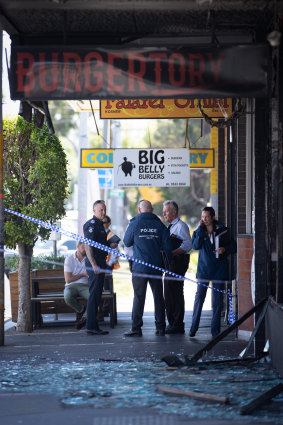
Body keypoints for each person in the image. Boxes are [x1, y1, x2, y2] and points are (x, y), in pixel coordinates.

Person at [123, 200, 172, 337]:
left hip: (139, 267)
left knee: (139, 297)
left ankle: (136, 329)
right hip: (156, 266)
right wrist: (167, 263)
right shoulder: (159, 224)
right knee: (158, 297)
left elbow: (126, 242)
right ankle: (161, 327)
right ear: (152, 210)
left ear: (139, 210)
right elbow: (167, 247)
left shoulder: (135, 222)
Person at [189, 206, 237, 338]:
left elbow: (234, 246)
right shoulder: (199, 231)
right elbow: (195, 246)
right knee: (199, 298)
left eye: (206, 217)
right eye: (202, 217)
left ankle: (215, 331)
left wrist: (224, 249)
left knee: (217, 301)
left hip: (219, 269)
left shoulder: (223, 230)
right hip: (204, 270)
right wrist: (199, 230)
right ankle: (193, 328)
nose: (204, 219)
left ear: (213, 216)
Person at [162, 200, 192, 334]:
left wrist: (172, 253)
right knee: (168, 293)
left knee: (176, 293)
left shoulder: (181, 226)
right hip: (170, 263)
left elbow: (187, 245)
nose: (164, 213)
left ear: (174, 212)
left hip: (178, 263)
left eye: (167, 211)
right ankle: (172, 323)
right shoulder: (170, 227)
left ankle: (178, 324)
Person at [83, 200, 109, 335]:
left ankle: (93, 325)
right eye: (101, 210)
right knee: (94, 295)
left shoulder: (100, 225)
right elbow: (88, 245)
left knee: (97, 294)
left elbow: (99, 245)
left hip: (100, 262)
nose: (104, 212)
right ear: (94, 211)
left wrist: (110, 245)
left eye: (104, 209)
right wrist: (93, 264)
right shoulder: (92, 225)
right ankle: (91, 326)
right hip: (95, 264)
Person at [98, 215, 121, 320]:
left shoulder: (111, 235)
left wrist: (109, 264)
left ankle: (106, 310)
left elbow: (115, 252)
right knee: (100, 287)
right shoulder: (100, 234)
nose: (102, 224)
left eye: (104, 222)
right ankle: (101, 309)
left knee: (107, 288)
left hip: (107, 266)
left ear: (109, 223)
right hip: (99, 264)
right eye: (101, 222)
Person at [63, 241, 89, 330]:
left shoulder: (89, 259)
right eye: (83, 247)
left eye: (87, 248)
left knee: (94, 297)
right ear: (78, 246)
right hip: (71, 285)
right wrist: (82, 274)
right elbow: (68, 279)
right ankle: (82, 310)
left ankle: (83, 319)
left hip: (85, 285)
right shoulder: (69, 259)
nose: (85, 249)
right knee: (67, 296)